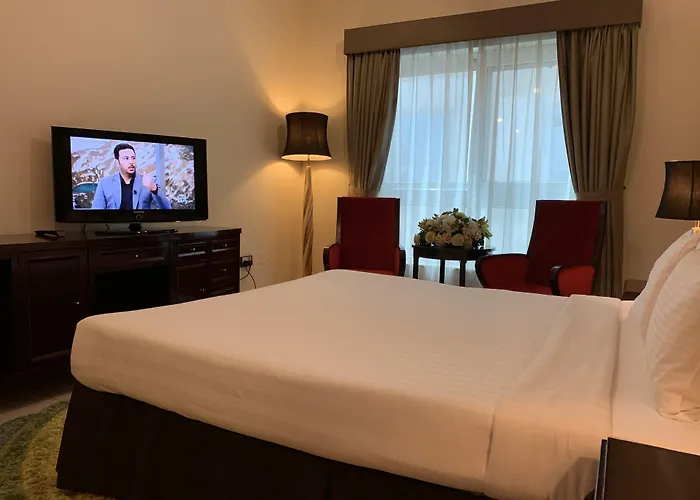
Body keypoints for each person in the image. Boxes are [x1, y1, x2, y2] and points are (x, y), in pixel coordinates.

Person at [91, 143, 172, 209]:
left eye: (133, 158)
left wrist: (154, 189)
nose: (131, 162)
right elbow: (96, 213)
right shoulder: (104, 184)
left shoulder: (149, 182)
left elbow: (167, 209)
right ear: (117, 163)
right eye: (126, 158)